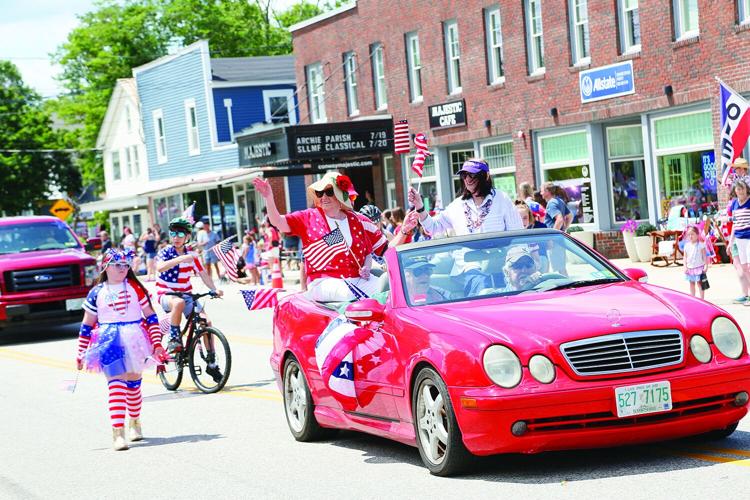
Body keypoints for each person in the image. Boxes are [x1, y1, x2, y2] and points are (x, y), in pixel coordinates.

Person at [75, 249, 166, 451]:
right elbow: (87, 325)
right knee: (116, 385)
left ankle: (135, 422)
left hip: (136, 340)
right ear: (106, 267)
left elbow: (151, 316)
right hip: (109, 341)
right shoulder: (96, 292)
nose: (123, 269)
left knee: (133, 387)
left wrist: (157, 343)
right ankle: (118, 432)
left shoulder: (135, 288)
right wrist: (81, 351)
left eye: (126, 265)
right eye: (118, 265)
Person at [253, 171, 388, 302]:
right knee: (348, 293)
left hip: (357, 280)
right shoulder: (308, 217)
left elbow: (368, 254)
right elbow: (278, 222)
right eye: (319, 193)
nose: (323, 197)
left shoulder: (355, 219)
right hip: (323, 282)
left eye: (329, 192)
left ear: (340, 194)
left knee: (389, 290)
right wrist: (269, 198)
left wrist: (366, 268)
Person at [408, 157, 523, 294]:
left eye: (472, 174)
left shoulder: (502, 199)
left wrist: (523, 262)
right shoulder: (457, 205)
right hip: (470, 267)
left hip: (502, 265)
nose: (467, 179)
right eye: (464, 175)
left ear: (485, 176)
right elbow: (433, 227)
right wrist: (420, 206)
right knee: (483, 289)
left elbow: (518, 234)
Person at [156, 217, 224, 360]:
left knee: (206, 322)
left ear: (187, 236)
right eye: (173, 234)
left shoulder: (192, 256)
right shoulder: (166, 252)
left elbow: (203, 274)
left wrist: (214, 289)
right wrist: (180, 259)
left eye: (180, 234)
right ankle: (174, 339)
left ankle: (212, 360)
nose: (176, 238)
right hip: (166, 294)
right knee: (178, 303)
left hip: (186, 294)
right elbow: (160, 267)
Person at [729, 178, 750, 306]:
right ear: (735, 191)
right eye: (738, 189)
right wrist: (731, 242)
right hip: (739, 238)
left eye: (742, 188)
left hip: (749, 237)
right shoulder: (734, 204)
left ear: (746, 189)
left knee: (749, 266)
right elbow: (734, 225)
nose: (740, 191)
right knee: (743, 268)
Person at [682, 225, 708, 299]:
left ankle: (702, 299)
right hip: (690, 268)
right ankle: (693, 298)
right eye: (689, 234)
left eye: (692, 234)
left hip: (699, 267)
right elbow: (685, 257)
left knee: (700, 283)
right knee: (691, 283)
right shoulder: (686, 246)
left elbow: (704, 256)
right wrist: (685, 267)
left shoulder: (701, 245)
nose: (690, 236)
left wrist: (706, 265)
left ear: (697, 235)